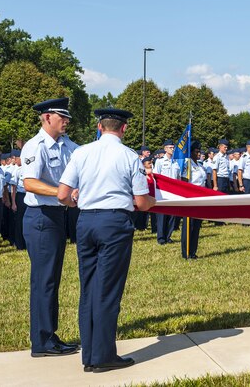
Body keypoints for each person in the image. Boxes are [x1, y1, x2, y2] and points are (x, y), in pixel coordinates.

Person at [58, 108, 156, 372]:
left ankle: (90, 355)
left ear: (100, 127)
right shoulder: (128, 155)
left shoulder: (81, 152)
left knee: (89, 288)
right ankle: (103, 357)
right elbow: (140, 202)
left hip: (86, 221)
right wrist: (153, 201)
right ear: (124, 129)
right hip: (114, 223)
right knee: (108, 291)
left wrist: (76, 200)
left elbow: (62, 194)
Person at [21, 97, 79, 357]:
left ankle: (49, 335)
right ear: (47, 118)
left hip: (57, 216)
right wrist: (63, 193)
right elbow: (30, 183)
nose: (66, 121)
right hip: (41, 216)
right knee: (44, 281)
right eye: (61, 117)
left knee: (51, 280)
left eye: (67, 117)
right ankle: (42, 341)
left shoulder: (67, 145)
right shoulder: (35, 146)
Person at [181, 140, 205, 260]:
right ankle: (186, 253)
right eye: (196, 151)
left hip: (200, 198)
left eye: (199, 151)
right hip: (190, 197)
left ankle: (193, 251)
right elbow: (184, 181)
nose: (199, 153)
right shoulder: (187, 164)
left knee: (196, 226)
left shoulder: (200, 165)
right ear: (191, 152)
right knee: (189, 226)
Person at [153, 139, 180, 244]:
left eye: (173, 147)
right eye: (170, 147)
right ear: (165, 149)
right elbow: (156, 176)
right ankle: (161, 238)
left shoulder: (176, 162)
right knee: (162, 216)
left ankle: (168, 236)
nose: (172, 149)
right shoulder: (160, 161)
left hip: (173, 192)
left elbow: (178, 179)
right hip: (163, 192)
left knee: (172, 215)